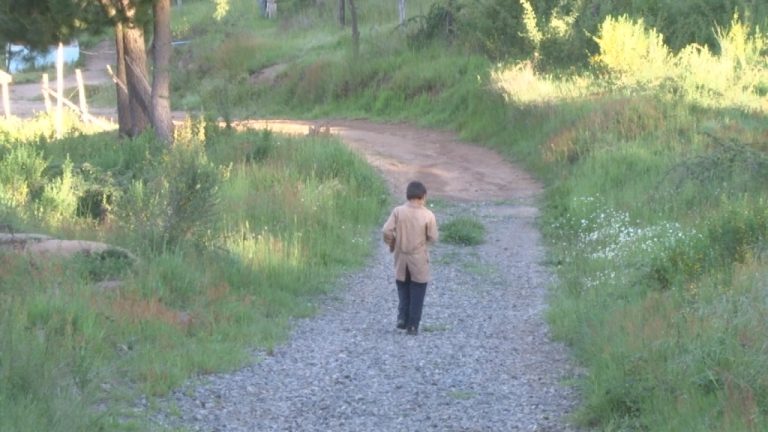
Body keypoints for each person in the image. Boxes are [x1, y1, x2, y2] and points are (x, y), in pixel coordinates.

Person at [382, 181, 439, 335]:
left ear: (407, 196)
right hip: (418, 259)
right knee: (418, 291)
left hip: (401, 259)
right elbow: (433, 237)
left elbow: (387, 230)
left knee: (403, 289)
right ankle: (413, 325)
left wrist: (392, 243)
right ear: (423, 196)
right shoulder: (428, 215)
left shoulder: (398, 211)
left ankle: (402, 318)